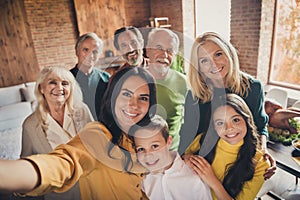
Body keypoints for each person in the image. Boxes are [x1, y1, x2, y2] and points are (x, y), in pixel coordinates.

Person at [0, 67, 157, 200]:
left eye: (143, 98)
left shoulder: (142, 137)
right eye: (126, 94)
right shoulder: (99, 135)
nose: (133, 104)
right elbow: (65, 161)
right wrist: (8, 174)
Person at [178, 32, 276, 179]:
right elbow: (188, 134)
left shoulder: (253, 88)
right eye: (204, 60)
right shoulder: (194, 96)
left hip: (241, 161)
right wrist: (183, 156)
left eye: (218, 54)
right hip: (207, 162)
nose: (214, 64)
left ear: (229, 53)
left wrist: (263, 150)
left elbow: (260, 126)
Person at [21, 66, 94, 200]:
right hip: (60, 194)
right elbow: (26, 161)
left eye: (65, 83)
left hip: (93, 186)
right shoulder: (30, 125)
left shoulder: (82, 110)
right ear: (41, 88)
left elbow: (97, 144)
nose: (59, 87)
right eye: (52, 82)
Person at [185, 93, 270, 200]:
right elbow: (183, 158)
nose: (229, 128)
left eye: (235, 120)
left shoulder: (261, 164)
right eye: (220, 123)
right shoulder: (203, 140)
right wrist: (187, 158)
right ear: (214, 127)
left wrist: (213, 181)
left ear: (247, 120)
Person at [130, 114, 212, 200]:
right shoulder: (141, 179)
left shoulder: (193, 175)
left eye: (155, 146)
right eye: (141, 149)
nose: (148, 154)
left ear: (168, 142)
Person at [146, 27, 188, 151]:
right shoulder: (135, 80)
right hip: (141, 156)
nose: (164, 55)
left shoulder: (184, 82)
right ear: (148, 50)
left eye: (170, 50)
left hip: (174, 154)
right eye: (158, 48)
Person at [70, 32, 110, 120]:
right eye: (85, 50)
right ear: (77, 52)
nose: (90, 55)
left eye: (95, 52)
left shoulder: (106, 78)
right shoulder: (67, 79)